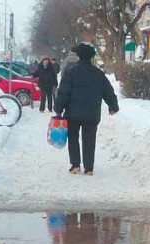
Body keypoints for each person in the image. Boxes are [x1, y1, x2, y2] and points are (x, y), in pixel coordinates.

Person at [54, 43, 119, 176]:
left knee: (73, 138)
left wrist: (59, 108)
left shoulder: (71, 71)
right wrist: (113, 106)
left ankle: (75, 165)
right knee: (89, 139)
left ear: (79, 55)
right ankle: (89, 168)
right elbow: (108, 90)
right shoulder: (98, 73)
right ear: (91, 57)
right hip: (92, 113)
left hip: (73, 113)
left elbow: (63, 92)